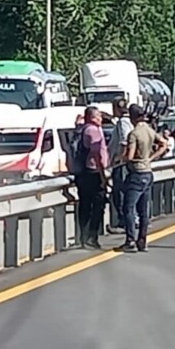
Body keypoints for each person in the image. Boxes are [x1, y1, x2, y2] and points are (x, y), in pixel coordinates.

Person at [120, 105, 167, 253]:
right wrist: (151, 157)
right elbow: (164, 144)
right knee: (143, 210)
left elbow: (130, 156)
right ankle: (142, 241)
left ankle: (130, 241)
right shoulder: (149, 130)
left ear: (132, 117)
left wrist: (120, 157)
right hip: (148, 172)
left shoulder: (134, 134)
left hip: (136, 173)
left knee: (128, 208)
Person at [73, 106, 109, 249]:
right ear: (92, 117)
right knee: (98, 205)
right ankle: (92, 236)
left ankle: (82, 236)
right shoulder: (93, 131)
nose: (101, 118)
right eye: (98, 116)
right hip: (93, 172)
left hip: (82, 173)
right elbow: (96, 154)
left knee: (84, 205)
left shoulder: (81, 129)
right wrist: (103, 174)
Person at [105, 99, 132, 235]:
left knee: (119, 193)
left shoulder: (123, 122)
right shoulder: (127, 121)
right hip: (124, 163)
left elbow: (124, 141)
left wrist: (119, 157)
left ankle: (123, 222)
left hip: (121, 164)